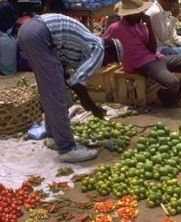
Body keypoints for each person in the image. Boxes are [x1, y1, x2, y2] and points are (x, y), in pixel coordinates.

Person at [16, 14, 122, 162]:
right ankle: (67, 149)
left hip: (29, 31)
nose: (106, 65)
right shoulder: (99, 49)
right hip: (38, 34)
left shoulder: (85, 46)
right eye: (111, 61)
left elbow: (67, 76)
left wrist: (84, 100)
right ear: (109, 51)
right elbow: (77, 82)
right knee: (56, 96)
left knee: (51, 91)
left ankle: (53, 135)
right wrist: (92, 107)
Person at [104, 0, 181, 109]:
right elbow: (104, 44)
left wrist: (149, 26)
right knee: (173, 83)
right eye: (138, 12)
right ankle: (165, 98)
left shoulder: (140, 26)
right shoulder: (115, 28)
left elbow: (152, 49)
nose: (142, 14)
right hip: (140, 64)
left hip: (155, 58)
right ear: (128, 14)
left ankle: (178, 97)